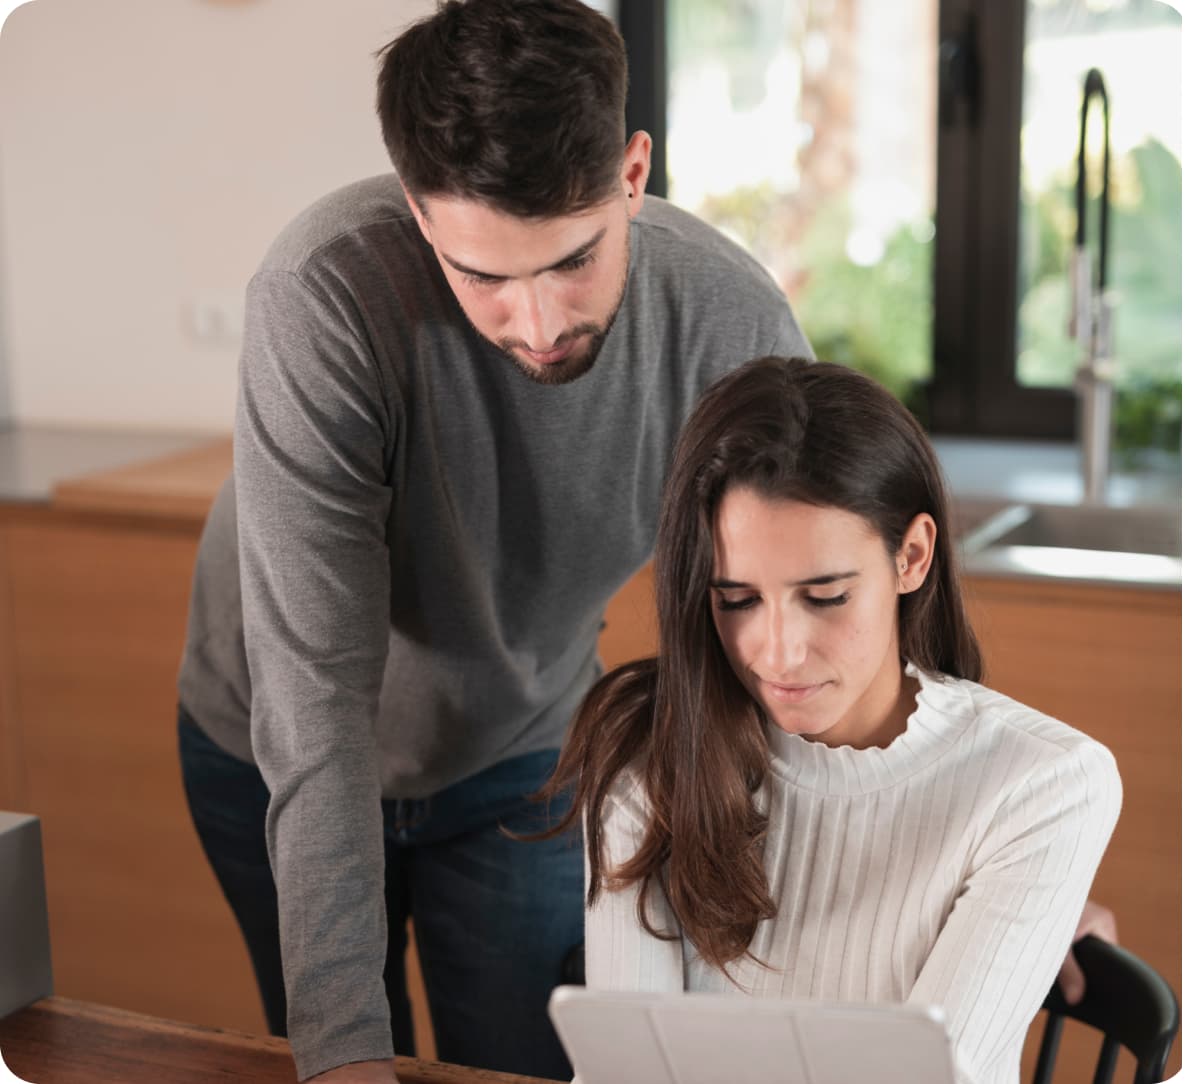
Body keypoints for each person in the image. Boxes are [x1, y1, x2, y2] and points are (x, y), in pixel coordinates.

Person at [175, 2, 812, 1082]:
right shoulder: (323, 296)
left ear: (630, 174)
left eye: (570, 260)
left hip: (525, 748)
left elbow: (826, 603)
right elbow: (316, 696)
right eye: (484, 277)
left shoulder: (726, 322)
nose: (537, 321)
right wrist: (340, 1058)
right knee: (336, 1043)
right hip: (275, 745)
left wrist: (977, 841)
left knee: (519, 1064)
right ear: (423, 218)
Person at [544, 357, 1122, 1084]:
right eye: (738, 600)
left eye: (824, 596)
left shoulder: (1046, 785)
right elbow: (628, 1075)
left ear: (911, 557)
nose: (777, 654)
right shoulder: (652, 752)